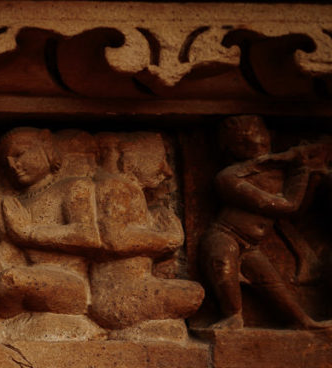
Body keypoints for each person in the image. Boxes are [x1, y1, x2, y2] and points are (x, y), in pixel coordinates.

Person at [201, 115, 330, 330]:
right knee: (223, 269)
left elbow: (294, 213)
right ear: (229, 148)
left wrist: (307, 173)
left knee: (272, 284)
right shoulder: (228, 177)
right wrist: (300, 170)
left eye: (261, 138)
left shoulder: (275, 174)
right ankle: (233, 316)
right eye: (243, 141)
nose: (255, 143)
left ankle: (303, 321)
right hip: (224, 236)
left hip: (251, 246)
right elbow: (286, 206)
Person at [89, 136, 204, 329]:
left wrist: (156, 221)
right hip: (119, 294)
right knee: (193, 294)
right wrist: (170, 239)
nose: (167, 171)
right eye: (160, 159)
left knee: (189, 295)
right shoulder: (116, 186)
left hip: (129, 288)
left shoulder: (127, 189)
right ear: (134, 156)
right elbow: (115, 240)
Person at [0, 127, 100, 317]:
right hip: (20, 277)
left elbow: (89, 236)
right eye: (6, 163)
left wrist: (28, 233)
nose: (13, 166)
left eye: (19, 154)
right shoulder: (13, 203)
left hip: (68, 281)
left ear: (45, 148)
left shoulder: (73, 187)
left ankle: (7, 317)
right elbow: (7, 254)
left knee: (12, 280)